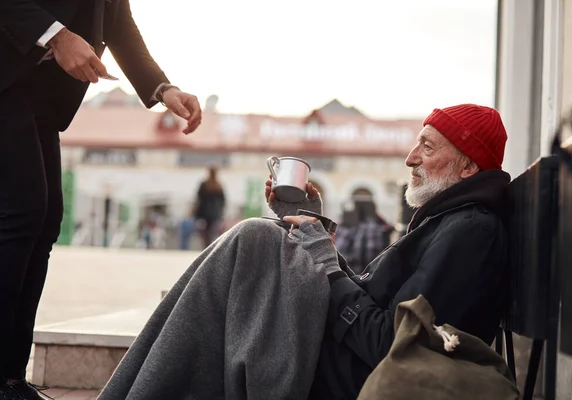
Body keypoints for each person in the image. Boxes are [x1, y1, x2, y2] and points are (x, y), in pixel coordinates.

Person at [100, 103, 510, 400]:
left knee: (255, 240)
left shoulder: (469, 232)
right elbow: (368, 299)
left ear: (467, 167)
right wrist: (311, 226)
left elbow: (390, 343)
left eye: (427, 147)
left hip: (351, 375)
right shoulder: (451, 220)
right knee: (261, 242)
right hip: (342, 355)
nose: (410, 158)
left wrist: (326, 266)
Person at [0, 2, 202, 399]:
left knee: (44, 222)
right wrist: (57, 35)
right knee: (23, 213)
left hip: (40, 92)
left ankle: (10, 377)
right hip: (6, 77)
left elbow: (118, 22)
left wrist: (163, 88)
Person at [194, 167, 226, 247]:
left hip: (204, 212)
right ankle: (210, 246)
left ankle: (206, 246)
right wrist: (221, 211)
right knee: (212, 231)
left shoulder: (204, 184)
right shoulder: (218, 185)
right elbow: (223, 200)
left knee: (205, 231)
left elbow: (199, 198)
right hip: (215, 212)